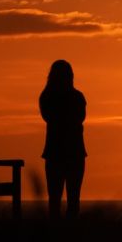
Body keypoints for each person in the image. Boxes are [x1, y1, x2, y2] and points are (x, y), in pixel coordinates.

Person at [39, 60, 87, 220]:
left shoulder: (46, 97)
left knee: (54, 197)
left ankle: (55, 232)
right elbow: (80, 118)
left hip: (54, 151)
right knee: (73, 198)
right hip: (74, 151)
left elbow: (48, 117)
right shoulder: (78, 97)